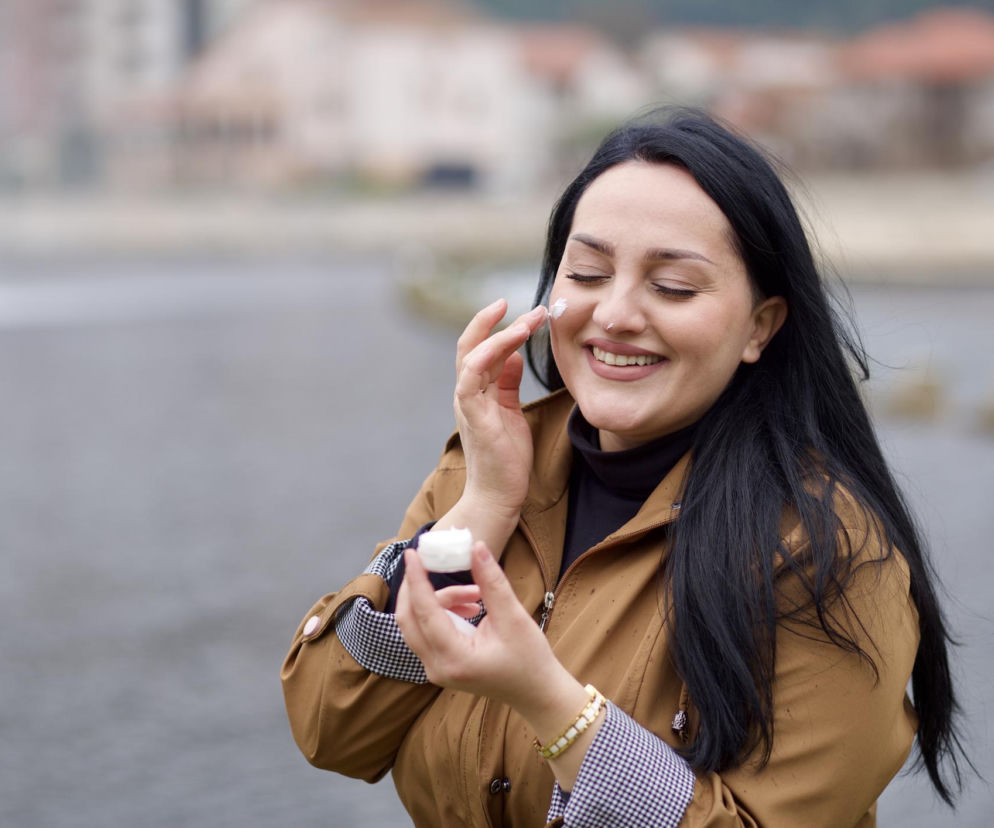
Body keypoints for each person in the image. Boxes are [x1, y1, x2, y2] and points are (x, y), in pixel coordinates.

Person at [281, 108, 966, 826]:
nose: (614, 314)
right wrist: (485, 505)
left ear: (759, 327)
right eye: (588, 272)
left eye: (673, 286)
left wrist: (551, 704)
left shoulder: (825, 551)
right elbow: (333, 731)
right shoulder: (487, 466)